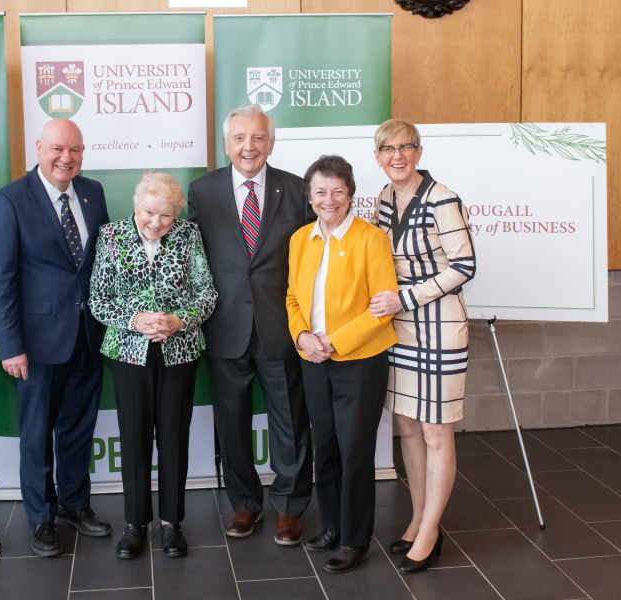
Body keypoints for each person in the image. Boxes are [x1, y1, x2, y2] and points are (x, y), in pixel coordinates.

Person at [0, 118, 112, 557]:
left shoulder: (93, 193)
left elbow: (103, 264)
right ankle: (41, 517)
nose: (66, 158)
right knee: (37, 433)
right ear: (38, 147)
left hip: (88, 336)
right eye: (58, 149)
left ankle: (75, 505)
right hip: (35, 343)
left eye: (75, 150)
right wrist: (10, 345)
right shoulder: (9, 201)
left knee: (77, 428)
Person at [187, 104, 314, 545]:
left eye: (258, 138)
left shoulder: (297, 191)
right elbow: (193, 260)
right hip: (224, 327)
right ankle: (244, 504)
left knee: (290, 421)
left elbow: (312, 262)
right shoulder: (202, 192)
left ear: (271, 143)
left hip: (282, 326)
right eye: (239, 138)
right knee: (232, 421)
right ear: (226, 144)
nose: (249, 146)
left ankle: (290, 506)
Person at [89, 171, 217, 560]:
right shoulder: (111, 236)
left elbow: (207, 293)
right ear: (135, 204)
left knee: (174, 436)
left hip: (179, 351)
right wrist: (136, 320)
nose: (157, 223)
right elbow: (99, 298)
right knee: (135, 437)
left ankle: (171, 523)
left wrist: (180, 320)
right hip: (129, 353)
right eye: (149, 212)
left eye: (166, 215)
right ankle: (134, 523)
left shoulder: (188, 234)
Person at [368, 119, 476, 573]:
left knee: (436, 431)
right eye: (388, 149)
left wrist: (406, 297)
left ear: (419, 152)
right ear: (378, 156)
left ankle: (431, 533)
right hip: (400, 329)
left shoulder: (442, 197)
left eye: (406, 147)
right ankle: (417, 518)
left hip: (438, 326)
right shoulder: (385, 199)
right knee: (408, 428)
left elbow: (464, 265)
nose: (397, 156)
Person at [285, 155, 398, 574]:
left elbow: (382, 308)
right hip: (313, 358)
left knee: (354, 451)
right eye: (320, 191)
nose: (328, 199)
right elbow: (293, 298)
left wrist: (332, 341)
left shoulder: (371, 239)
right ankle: (331, 525)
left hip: (359, 362)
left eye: (337, 190)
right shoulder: (300, 239)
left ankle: (354, 539)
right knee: (326, 446)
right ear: (309, 196)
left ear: (350, 194)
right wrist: (302, 337)